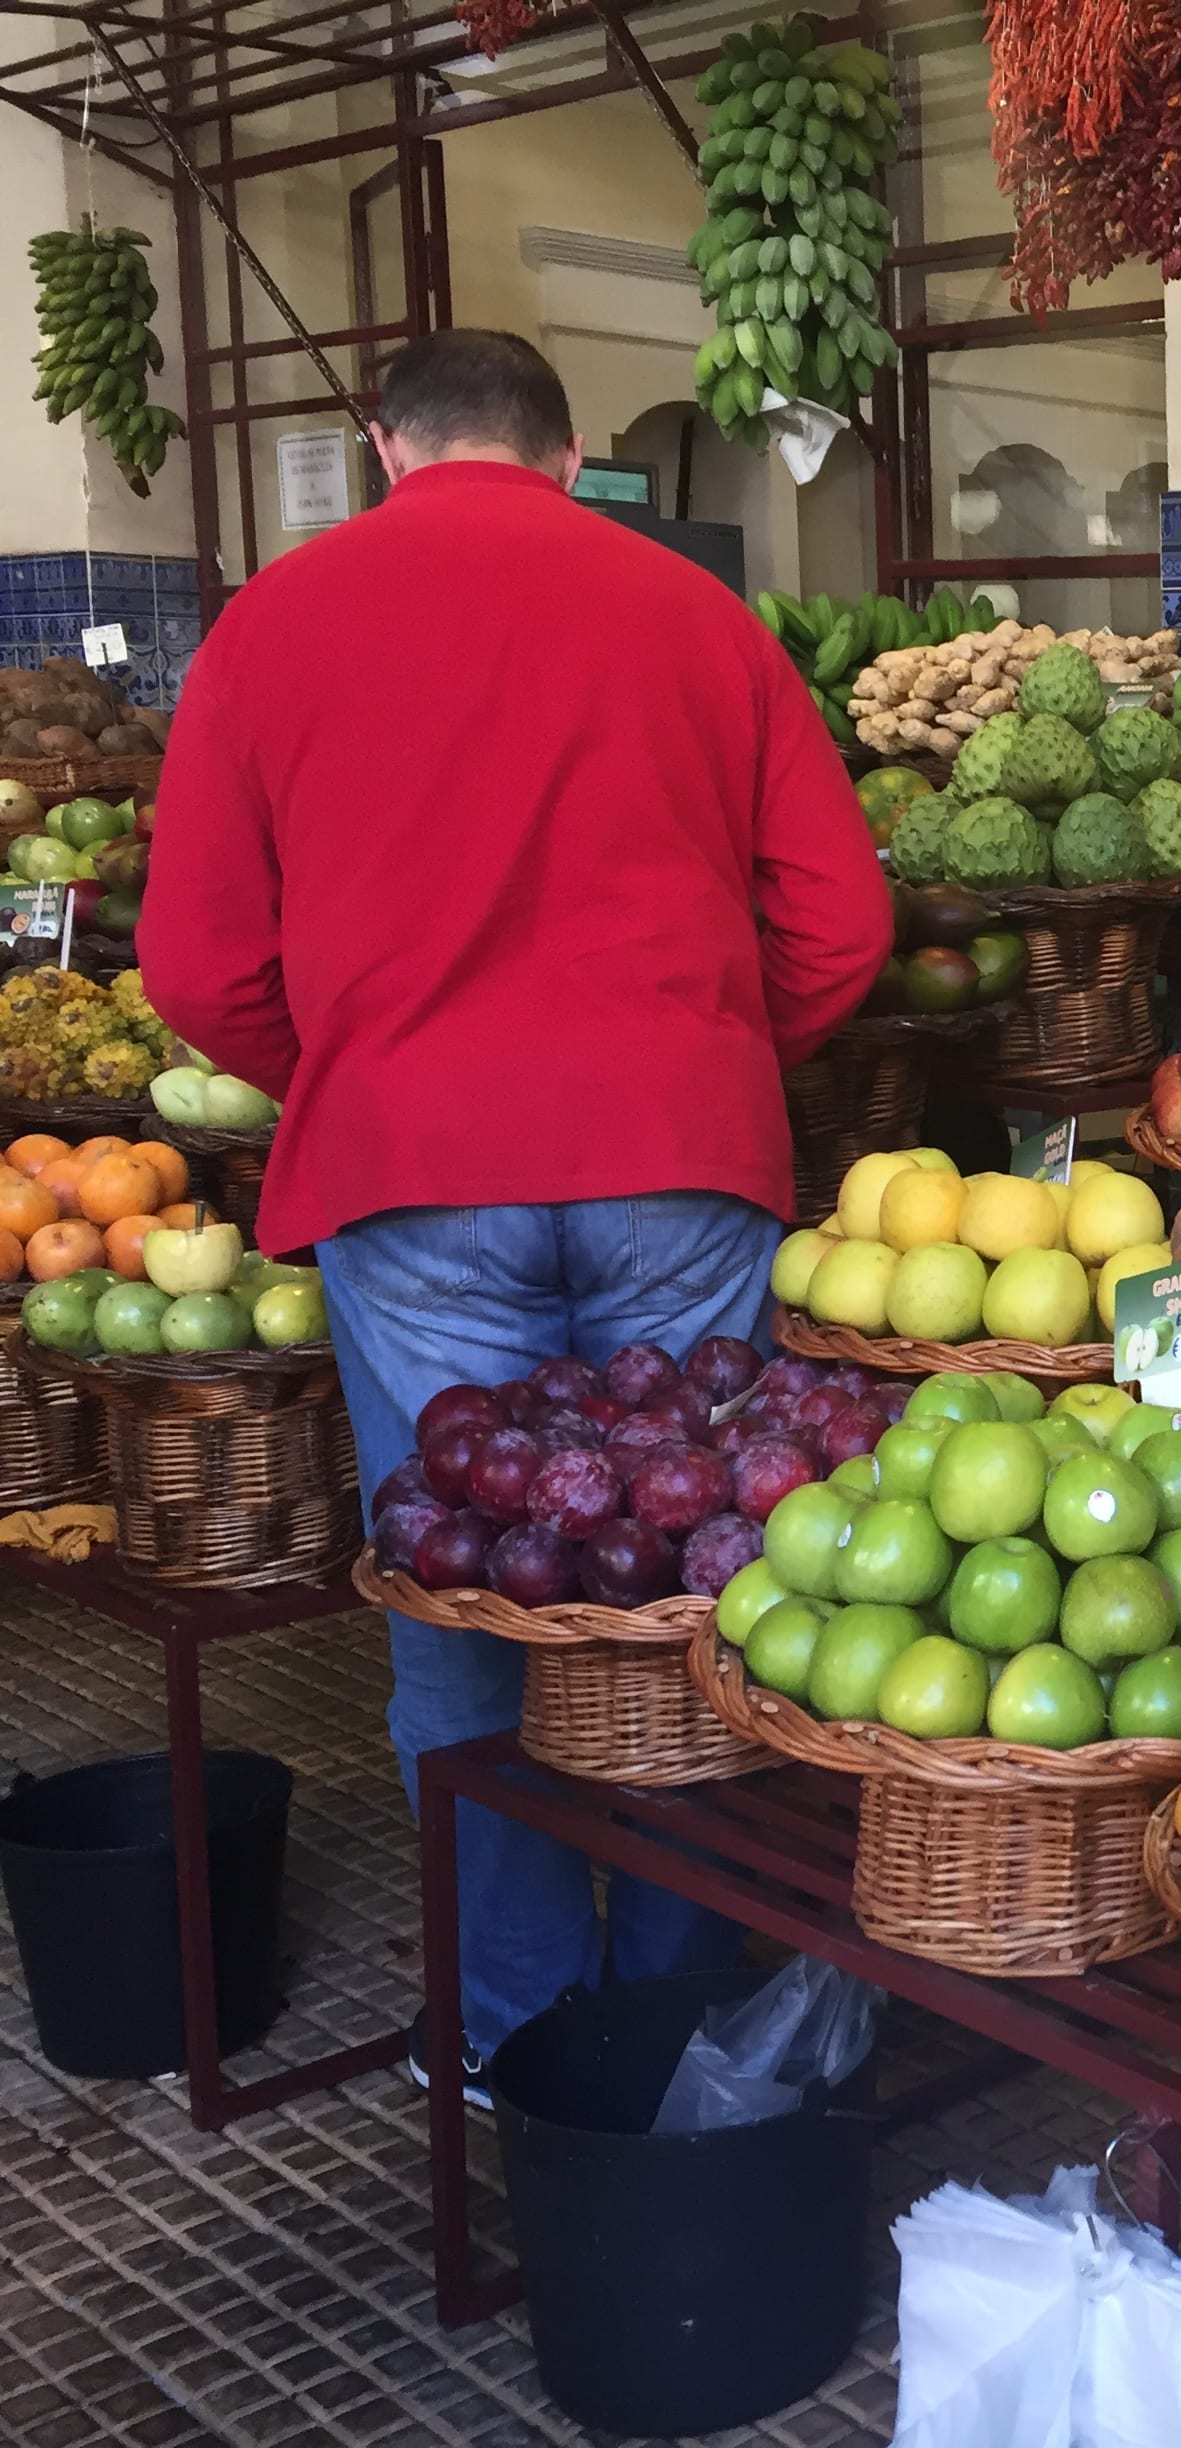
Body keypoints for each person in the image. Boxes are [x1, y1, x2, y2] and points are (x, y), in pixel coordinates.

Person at [140, 329, 891, 2082]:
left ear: (384, 449)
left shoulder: (273, 625)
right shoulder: (702, 617)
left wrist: (354, 1057)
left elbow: (190, 961)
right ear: (569, 460)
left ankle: (511, 2036)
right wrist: (692, 1053)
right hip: (680, 1162)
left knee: (472, 1596)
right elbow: (841, 925)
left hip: (413, 1179)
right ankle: (700, 2018)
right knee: (700, 1595)